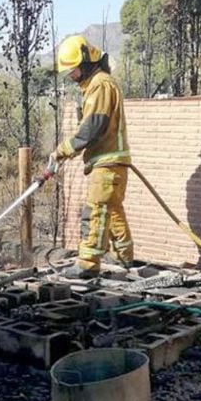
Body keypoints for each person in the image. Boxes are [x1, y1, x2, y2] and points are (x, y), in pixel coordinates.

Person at [52, 35, 134, 279]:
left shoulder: (100, 84)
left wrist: (64, 149)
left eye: (74, 71)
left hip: (107, 162)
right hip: (111, 162)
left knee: (96, 210)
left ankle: (88, 264)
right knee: (113, 210)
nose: (72, 77)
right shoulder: (98, 85)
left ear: (86, 61)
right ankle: (123, 257)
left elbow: (93, 126)